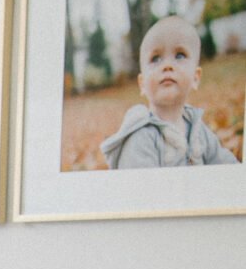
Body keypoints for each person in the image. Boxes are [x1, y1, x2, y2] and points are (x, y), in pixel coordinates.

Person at [100, 14, 238, 165]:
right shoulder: (141, 136)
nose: (167, 65)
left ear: (195, 78)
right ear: (142, 84)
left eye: (179, 55)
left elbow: (228, 168)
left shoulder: (199, 129)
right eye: (155, 58)